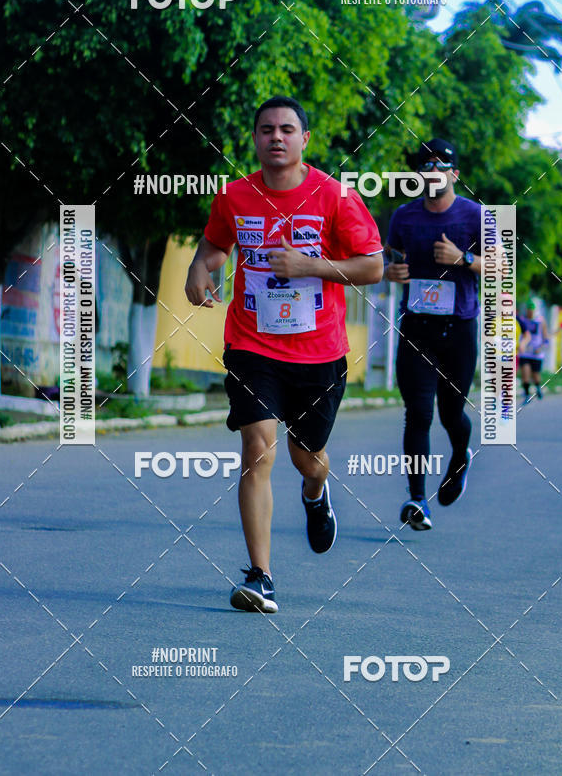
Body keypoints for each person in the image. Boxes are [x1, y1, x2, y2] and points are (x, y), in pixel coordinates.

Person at [185, 96, 384, 612]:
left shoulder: (335, 197)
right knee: (258, 449)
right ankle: (261, 576)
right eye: (267, 129)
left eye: (287, 129)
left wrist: (311, 267)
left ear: (304, 140)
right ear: (255, 138)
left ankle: (316, 494)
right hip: (252, 344)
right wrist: (198, 269)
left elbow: (372, 267)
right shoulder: (234, 196)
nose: (277, 136)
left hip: (319, 352)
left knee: (307, 459)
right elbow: (214, 246)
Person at [384, 138, 481, 531]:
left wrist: (464, 259)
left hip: (458, 329)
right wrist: (391, 270)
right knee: (418, 413)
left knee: (450, 412)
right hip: (417, 328)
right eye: (427, 165)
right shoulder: (404, 217)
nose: (434, 172)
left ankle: (460, 455)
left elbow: (503, 265)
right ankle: (417, 499)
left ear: (454, 174)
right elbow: (388, 256)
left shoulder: (475, 215)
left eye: (442, 166)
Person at [517, 301, 549, 403]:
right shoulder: (522, 320)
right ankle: (526, 395)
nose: (530, 312)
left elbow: (545, 337)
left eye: (532, 310)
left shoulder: (540, 321)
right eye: (529, 310)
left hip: (536, 353)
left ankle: (538, 386)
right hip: (525, 352)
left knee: (535, 375)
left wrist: (541, 347)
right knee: (525, 373)